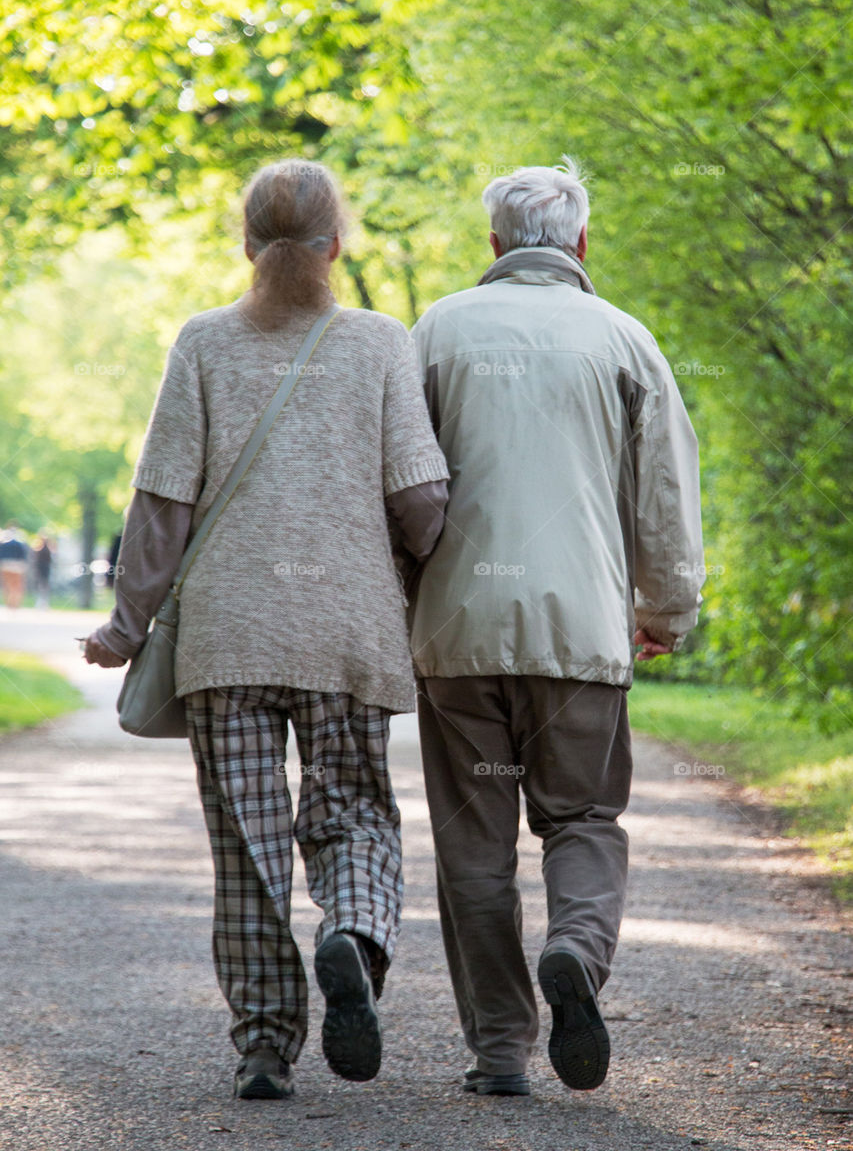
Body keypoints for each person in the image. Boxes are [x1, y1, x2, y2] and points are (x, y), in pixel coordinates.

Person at [84, 158, 449, 1100]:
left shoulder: (202, 343)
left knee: (246, 849)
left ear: (245, 243)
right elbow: (421, 500)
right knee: (354, 815)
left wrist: (126, 627)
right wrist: (426, 571)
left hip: (226, 641)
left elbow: (161, 503)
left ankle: (262, 1043)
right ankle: (352, 939)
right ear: (338, 243)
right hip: (346, 635)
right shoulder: (379, 343)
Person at [408, 158, 703, 1097]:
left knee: (473, 844)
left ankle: (499, 1050)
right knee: (581, 817)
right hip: (580, 629)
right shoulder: (623, 338)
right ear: (581, 243)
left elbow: (399, 487)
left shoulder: (438, 330)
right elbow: (664, 492)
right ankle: (575, 947)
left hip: (457, 634)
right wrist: (665, 611)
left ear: (493, 244)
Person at [0, 524, 30, 608]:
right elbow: (23, 556)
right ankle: (14, 603)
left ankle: (9, 603)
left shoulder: (4, 543)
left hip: (5, 565)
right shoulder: (20, 543)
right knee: (16, 586)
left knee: (7, 585)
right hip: (17, 566)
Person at [32, 533, 53, 608]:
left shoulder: (41, 550)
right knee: (42, 585)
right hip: (42, 569)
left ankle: (42, 602)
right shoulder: (43, 549)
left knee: (43, 585)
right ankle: (41, 602)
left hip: (44, 569)